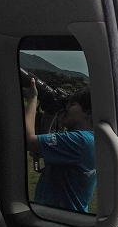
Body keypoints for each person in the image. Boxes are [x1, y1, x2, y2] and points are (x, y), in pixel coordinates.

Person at [23, 80, 96, 213]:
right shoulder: (90, 139)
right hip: (69, 217)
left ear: (88, 112)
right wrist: (52, 111)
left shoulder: (80, 140)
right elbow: (40, 148)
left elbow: (28, 141)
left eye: (72, 104)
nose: (66, 108)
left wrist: (32, 99)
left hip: (58, 218)